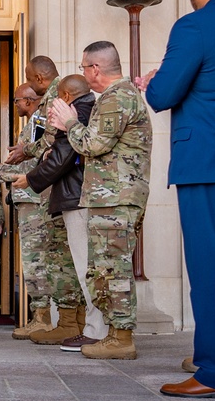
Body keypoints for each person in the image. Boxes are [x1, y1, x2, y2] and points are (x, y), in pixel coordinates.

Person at [136, 0, 215, 398]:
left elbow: (164, 93)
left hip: (206, 161)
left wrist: (152, 81)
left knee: (210, 267)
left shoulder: (194, 24)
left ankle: (213, 369)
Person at [50, 41, 152, 361]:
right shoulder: (117, 96)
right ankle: (114, 333)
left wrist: (68, 121)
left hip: (115, 197)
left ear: (95, 69)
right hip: (113, 196)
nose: (83, 72)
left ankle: (121, 338)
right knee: (106, 268)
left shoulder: (116, 97)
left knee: (114, 269)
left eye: (84, 67)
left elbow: (93, 144)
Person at [20, 75, 105, 352]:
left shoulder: (77, 112)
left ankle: (96, 330)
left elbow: (62, 156)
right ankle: (95, 328)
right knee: (92, 268)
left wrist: (30, 180)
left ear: (66, 96)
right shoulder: (93, 107)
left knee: (86, 269)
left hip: (78, 198)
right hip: (87, 196)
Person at [0, 84, 53, 339]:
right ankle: (39, 316)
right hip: (27, 200)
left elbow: (33, 166)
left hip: (35, 200)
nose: (16, 105)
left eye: (17, 101)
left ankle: (42, 318)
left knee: (36, 262)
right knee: (33, 262)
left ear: (29, 101)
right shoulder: (32, 123)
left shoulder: (40, 123)